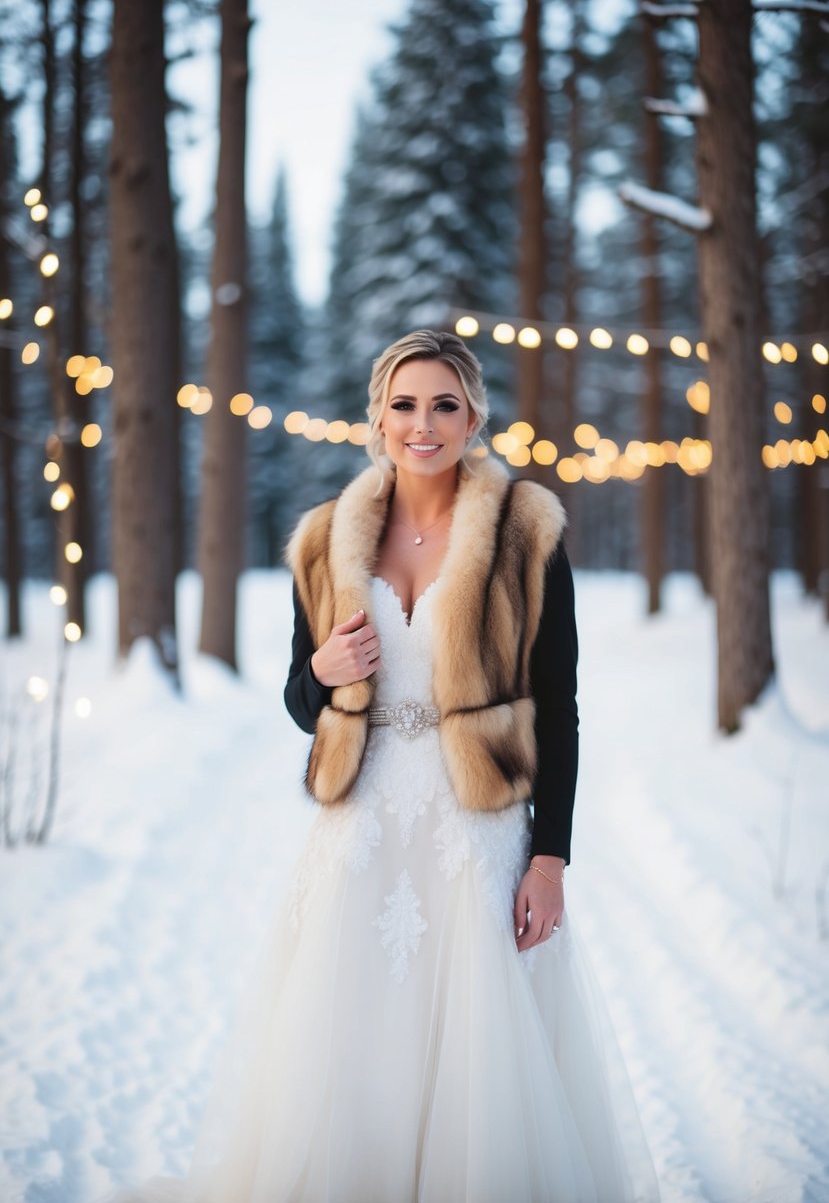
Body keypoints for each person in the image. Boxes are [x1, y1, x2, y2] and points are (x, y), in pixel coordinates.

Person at [100, 329, 659, 1202]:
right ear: (377, 416)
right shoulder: (327, 541)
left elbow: (560, 709)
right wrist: (320, 675)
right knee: (345, 1037)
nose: (422, 423)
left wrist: (549, 856)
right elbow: (299, 699)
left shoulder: (525, 533)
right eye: (404, 404)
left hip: (474, 828)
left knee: (473, 1045)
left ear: (474, 416)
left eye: (443, 404)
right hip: (358, 828)